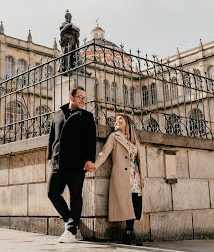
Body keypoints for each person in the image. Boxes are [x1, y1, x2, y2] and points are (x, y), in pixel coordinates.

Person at [85, 114, 145, 246]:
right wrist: (94, 165)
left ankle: (129, 233)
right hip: (122, 176)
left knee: (135, 202)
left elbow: (139, 161)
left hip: (134, 176)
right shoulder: (114, 136)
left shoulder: (134, 139)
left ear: (127, 122)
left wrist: (143, 178)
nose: (117, 121)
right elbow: (104, 153)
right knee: (127, 204)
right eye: (116, 120)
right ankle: (130, 234)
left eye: (120, 119)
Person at [47, 86, 96, 243]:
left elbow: (91, 140)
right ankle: (70, 221)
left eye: (84, 98)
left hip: (77, 163)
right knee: (52, 193)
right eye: (80, 97)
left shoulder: (87, 116)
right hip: (58, 162)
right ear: (71, 98)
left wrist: (90, 159)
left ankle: (71, 230)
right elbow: (51, 138)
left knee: (75, 196)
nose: (83, 100)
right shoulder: (58, 114)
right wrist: (50, 157)